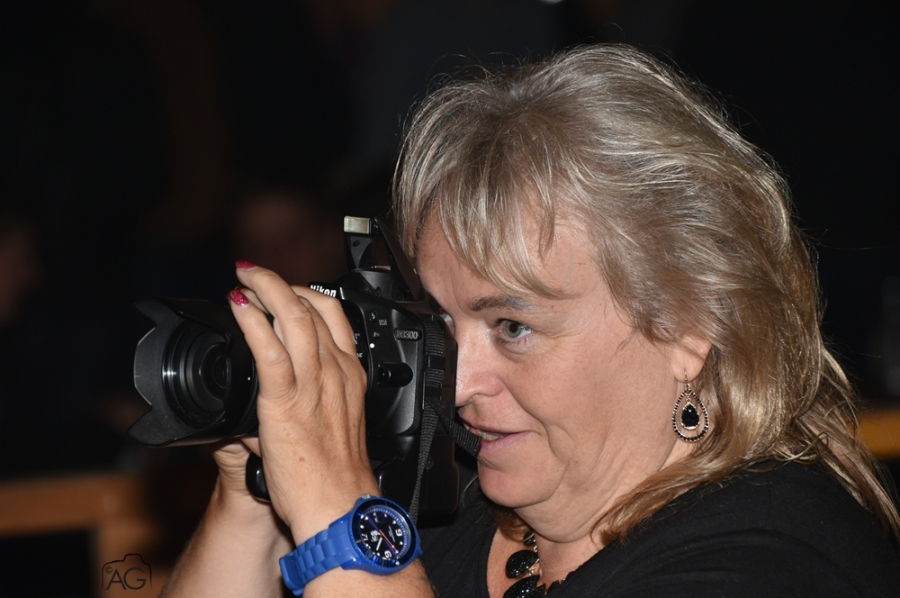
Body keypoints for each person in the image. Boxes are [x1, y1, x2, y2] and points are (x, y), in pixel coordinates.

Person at [159, 45, 900, 597]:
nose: (457, 387)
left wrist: (337, 510)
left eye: (512, 326)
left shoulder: (775, 557)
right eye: (442, 320)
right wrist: (254, 488)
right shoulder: (458, 502)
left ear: (687, 325)